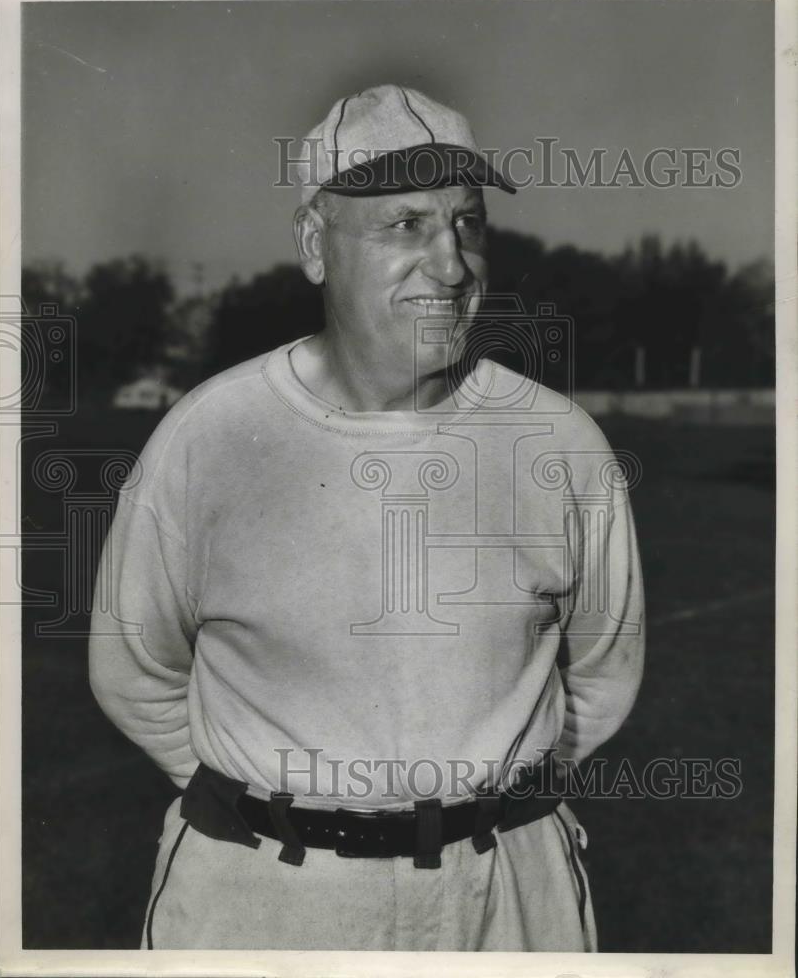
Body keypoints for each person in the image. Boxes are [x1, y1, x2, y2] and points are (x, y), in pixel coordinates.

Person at [88, 84, 645, 952]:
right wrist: (278, 809)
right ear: (315, 245)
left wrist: (484, 804)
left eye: (467, 222)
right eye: (405, 226)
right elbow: (134, 671)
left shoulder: (559, 441)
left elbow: (604, 673)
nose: (452, 264)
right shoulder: (209, 436)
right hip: (265, 902)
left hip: (509, 894)